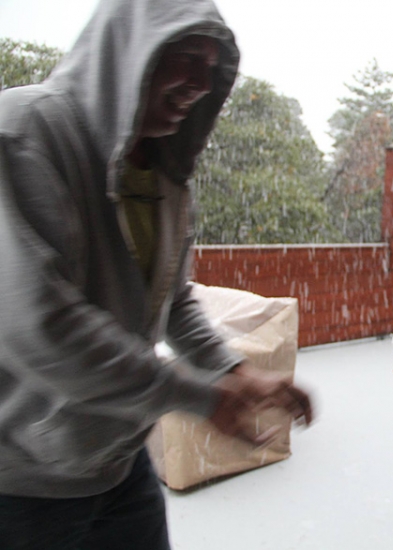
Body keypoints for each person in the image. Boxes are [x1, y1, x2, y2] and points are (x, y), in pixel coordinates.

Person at [0, 0, 312, 548]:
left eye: (210, 67)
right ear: (125, 53)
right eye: (185, 56)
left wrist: (231, 370)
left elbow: (174, 300)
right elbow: (41, 327)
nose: (198, 81)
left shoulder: (166, 172)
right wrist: (199, 396)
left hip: (120, 464)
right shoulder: (25, 131)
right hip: (22, 483)